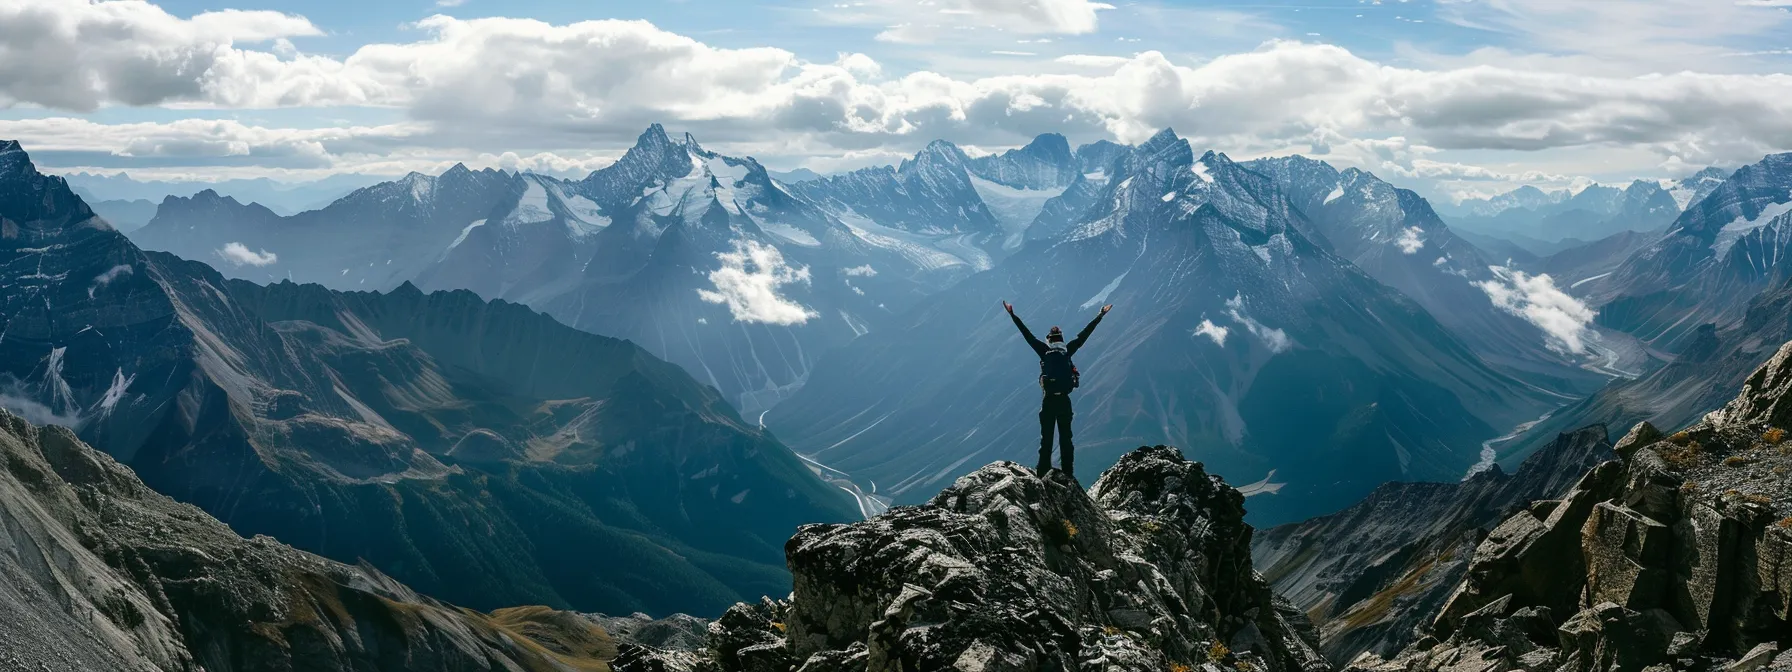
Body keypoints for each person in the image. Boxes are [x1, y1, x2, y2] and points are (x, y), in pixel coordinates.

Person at [1003, 300, 1111, 479]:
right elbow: (1085, 334)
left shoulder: (1044, 351)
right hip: (1064, 401)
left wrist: (1012, 315)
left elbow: (1026, 334)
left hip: (1048, 400)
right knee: (1066, 440)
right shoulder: (1067, 351)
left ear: (1049, 340)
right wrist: (1100, 315)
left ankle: (1042, 474)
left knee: (1046, 440)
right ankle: (1068, 475)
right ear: (1061, 339)